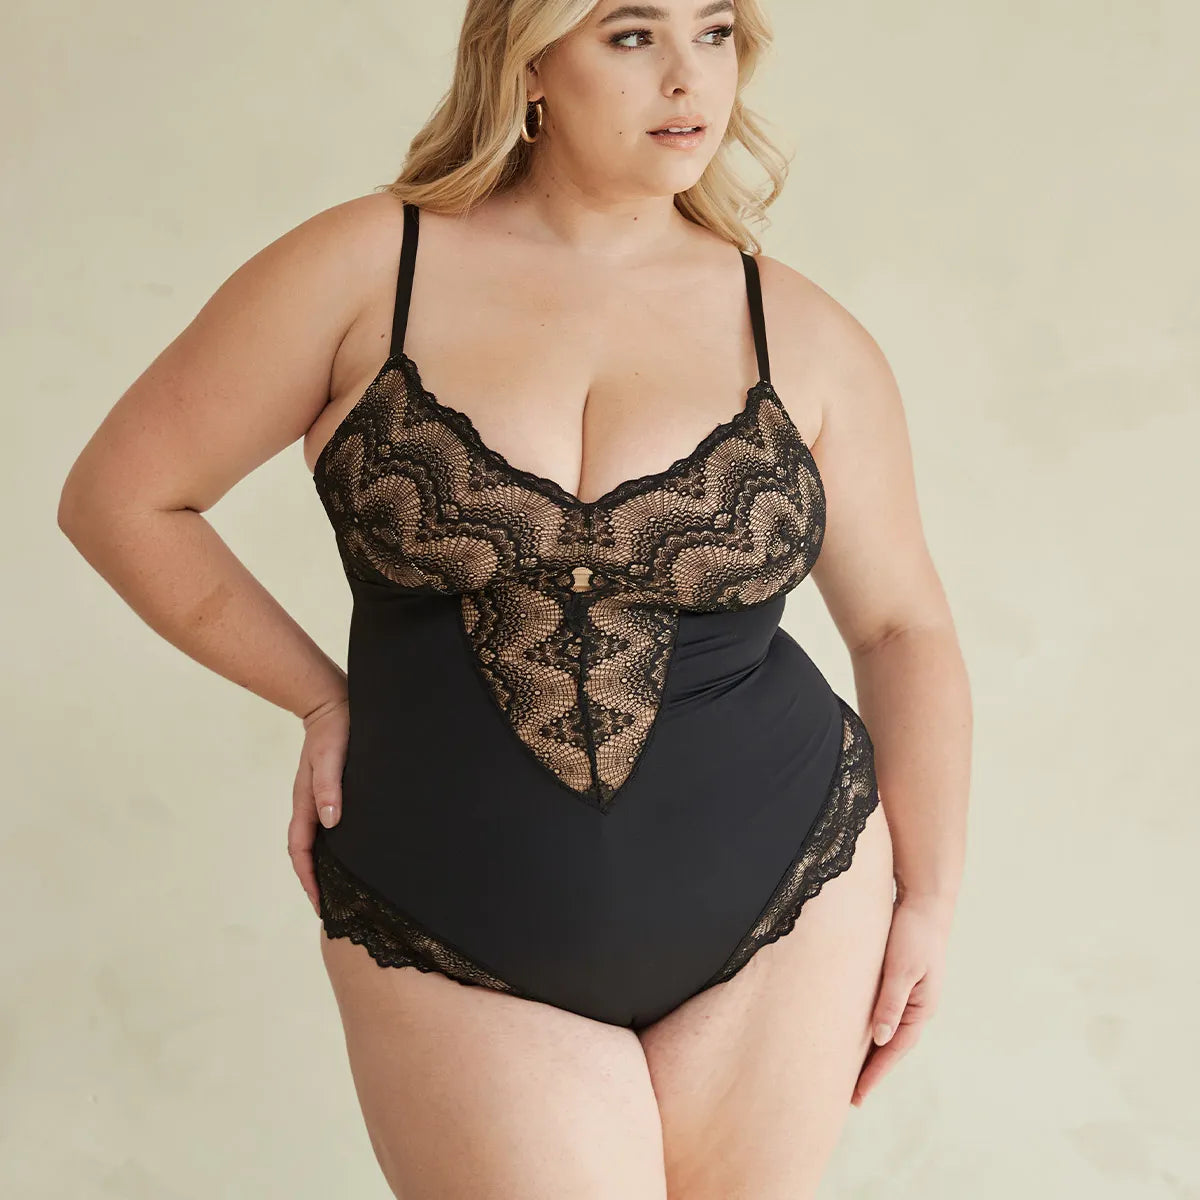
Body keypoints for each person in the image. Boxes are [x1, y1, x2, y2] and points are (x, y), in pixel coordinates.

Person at [58, 1, 972, 1196]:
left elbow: (903, 628)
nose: (689, 77)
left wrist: (929, 897)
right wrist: (317, 697)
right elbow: (123, 499)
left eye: (714, 31)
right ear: (530, 60)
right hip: (448, 913)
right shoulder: (364, 270)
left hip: (790, 895)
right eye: (633, 34)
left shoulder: (803, 332)